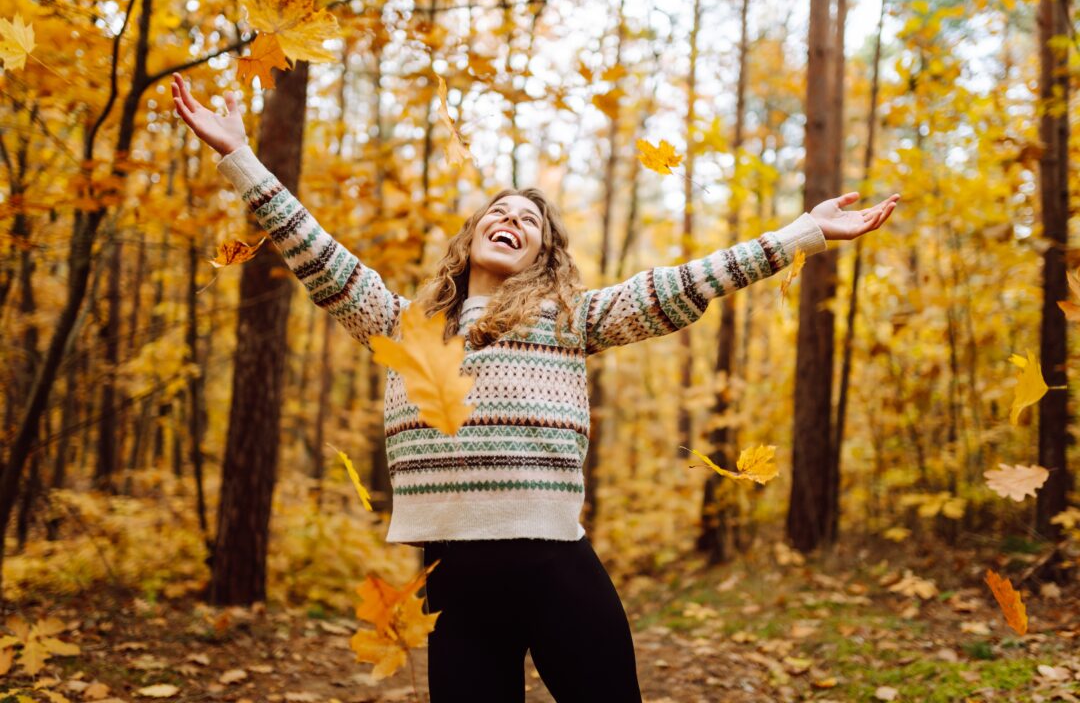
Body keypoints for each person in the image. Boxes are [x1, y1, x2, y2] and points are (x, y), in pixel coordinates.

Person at [172, 72, 898, 702]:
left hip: (556, 566)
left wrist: (803, 233)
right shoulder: (400, 322)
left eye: (529, 221)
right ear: (473, 235)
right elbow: (315, 252)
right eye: (499, 211)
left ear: (543, 255)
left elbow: (681, 283)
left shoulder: (569, 317)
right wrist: (239, 157)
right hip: (452, 579)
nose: (510, 219)